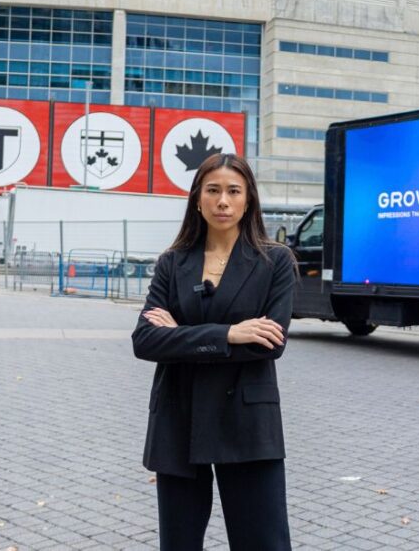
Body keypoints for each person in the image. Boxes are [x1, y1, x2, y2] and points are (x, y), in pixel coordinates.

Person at [132, 152, 296, 551]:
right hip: (178, 416)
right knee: (179, 544)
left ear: (248, 200)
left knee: (263, 543)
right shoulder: (173, 263)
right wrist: (230, 334)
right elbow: (145, 340)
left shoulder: (275, 261)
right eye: (213, 190)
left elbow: (268, 343)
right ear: (197, 199)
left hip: (246, 420)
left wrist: (181, 336)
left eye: (234, 191)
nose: (223, 201)